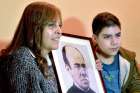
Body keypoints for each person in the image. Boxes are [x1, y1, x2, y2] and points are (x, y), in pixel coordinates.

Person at [0, 1, 62, 93]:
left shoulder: (53, 61)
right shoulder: (23, 58)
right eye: (51, 25)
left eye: (60, 25)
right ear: (35, 28)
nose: (59, 31)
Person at [92, 12, 140, 93]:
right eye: (107, 37)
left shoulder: (129, 58)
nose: (114, 42)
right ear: (95, 38)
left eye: (118, 35)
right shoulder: (87, 60)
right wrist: (90, 71)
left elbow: (136, 87)